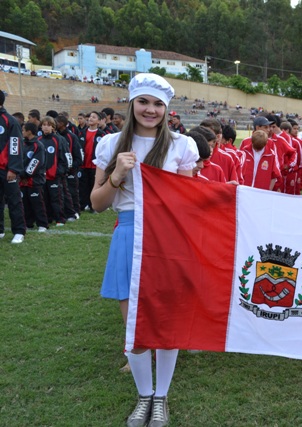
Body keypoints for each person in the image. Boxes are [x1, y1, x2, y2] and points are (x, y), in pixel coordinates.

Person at [91, 73, 199, 427]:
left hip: (167, 238)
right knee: (134, 329)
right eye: (144, 102)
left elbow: (188, 201)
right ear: (132, 103)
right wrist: (117, 176)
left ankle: (161, 398)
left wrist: (220, 194)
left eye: (157, 104)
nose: (150, 110)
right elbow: (97, 204)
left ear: (166, 109)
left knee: (166, 325)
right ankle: (144, 397)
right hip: (128, 233)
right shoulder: (109, 144)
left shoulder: (182, 146)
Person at [0, 89, 26, 243]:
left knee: (14, 200)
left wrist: (13, 169)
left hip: (7, 170)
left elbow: (15, 146)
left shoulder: (10, 121)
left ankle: (19, 231)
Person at [19, 122, 48, 232]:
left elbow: (36, 163)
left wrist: (25, 174)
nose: (22, 132)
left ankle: (42, 224)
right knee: (25, 202)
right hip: (22, 180)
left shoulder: (38, 146)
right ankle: (29, 223)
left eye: (23, 130)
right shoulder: (23, 144)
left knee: (37, 203)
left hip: (35, 180)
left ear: (29, 131)